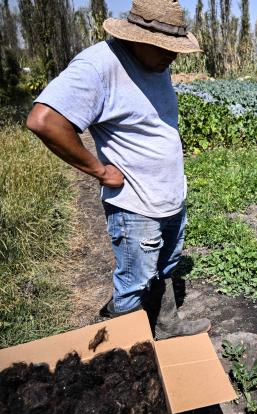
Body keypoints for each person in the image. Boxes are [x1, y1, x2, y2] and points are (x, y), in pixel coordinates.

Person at [26, 0, 211, 339]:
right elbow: (44, 120)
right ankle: (128, 350)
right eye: (164, 48)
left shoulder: (155, 62)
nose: (172, 56)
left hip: (168, 196)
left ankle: (166, 326)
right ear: (136, 37)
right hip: (135, 204)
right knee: (135, 281)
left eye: (175, 48)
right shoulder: (98, 66)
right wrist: (98, 170)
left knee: (166, 265)